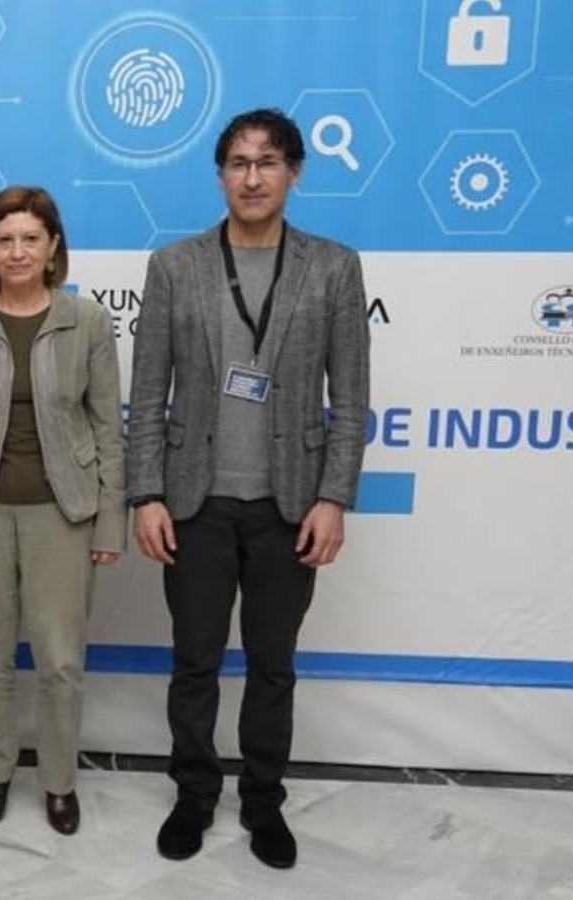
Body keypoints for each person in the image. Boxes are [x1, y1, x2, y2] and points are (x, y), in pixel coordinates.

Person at [126, 108, 370, 869]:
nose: (252, 176)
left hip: (289, 505)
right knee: (194, 662)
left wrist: (333, 496)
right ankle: (194, 797)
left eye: (267, 162)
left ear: (295, 171)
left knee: (273, 664)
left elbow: (352, 397)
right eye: (237, 162)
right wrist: (146, 494)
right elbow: (148, 392)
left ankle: (264, 802)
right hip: (194, 500)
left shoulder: (332, 266)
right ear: (221, 174)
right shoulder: (175, 266)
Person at [0, 186, 124, 836]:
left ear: (53, 247)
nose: (17, 251)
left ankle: (60, 783)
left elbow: (108, 430)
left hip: (62, 515)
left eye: (30, 239)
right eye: (5, 239)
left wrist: (109, 520)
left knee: (61, 661)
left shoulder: (86, 322)